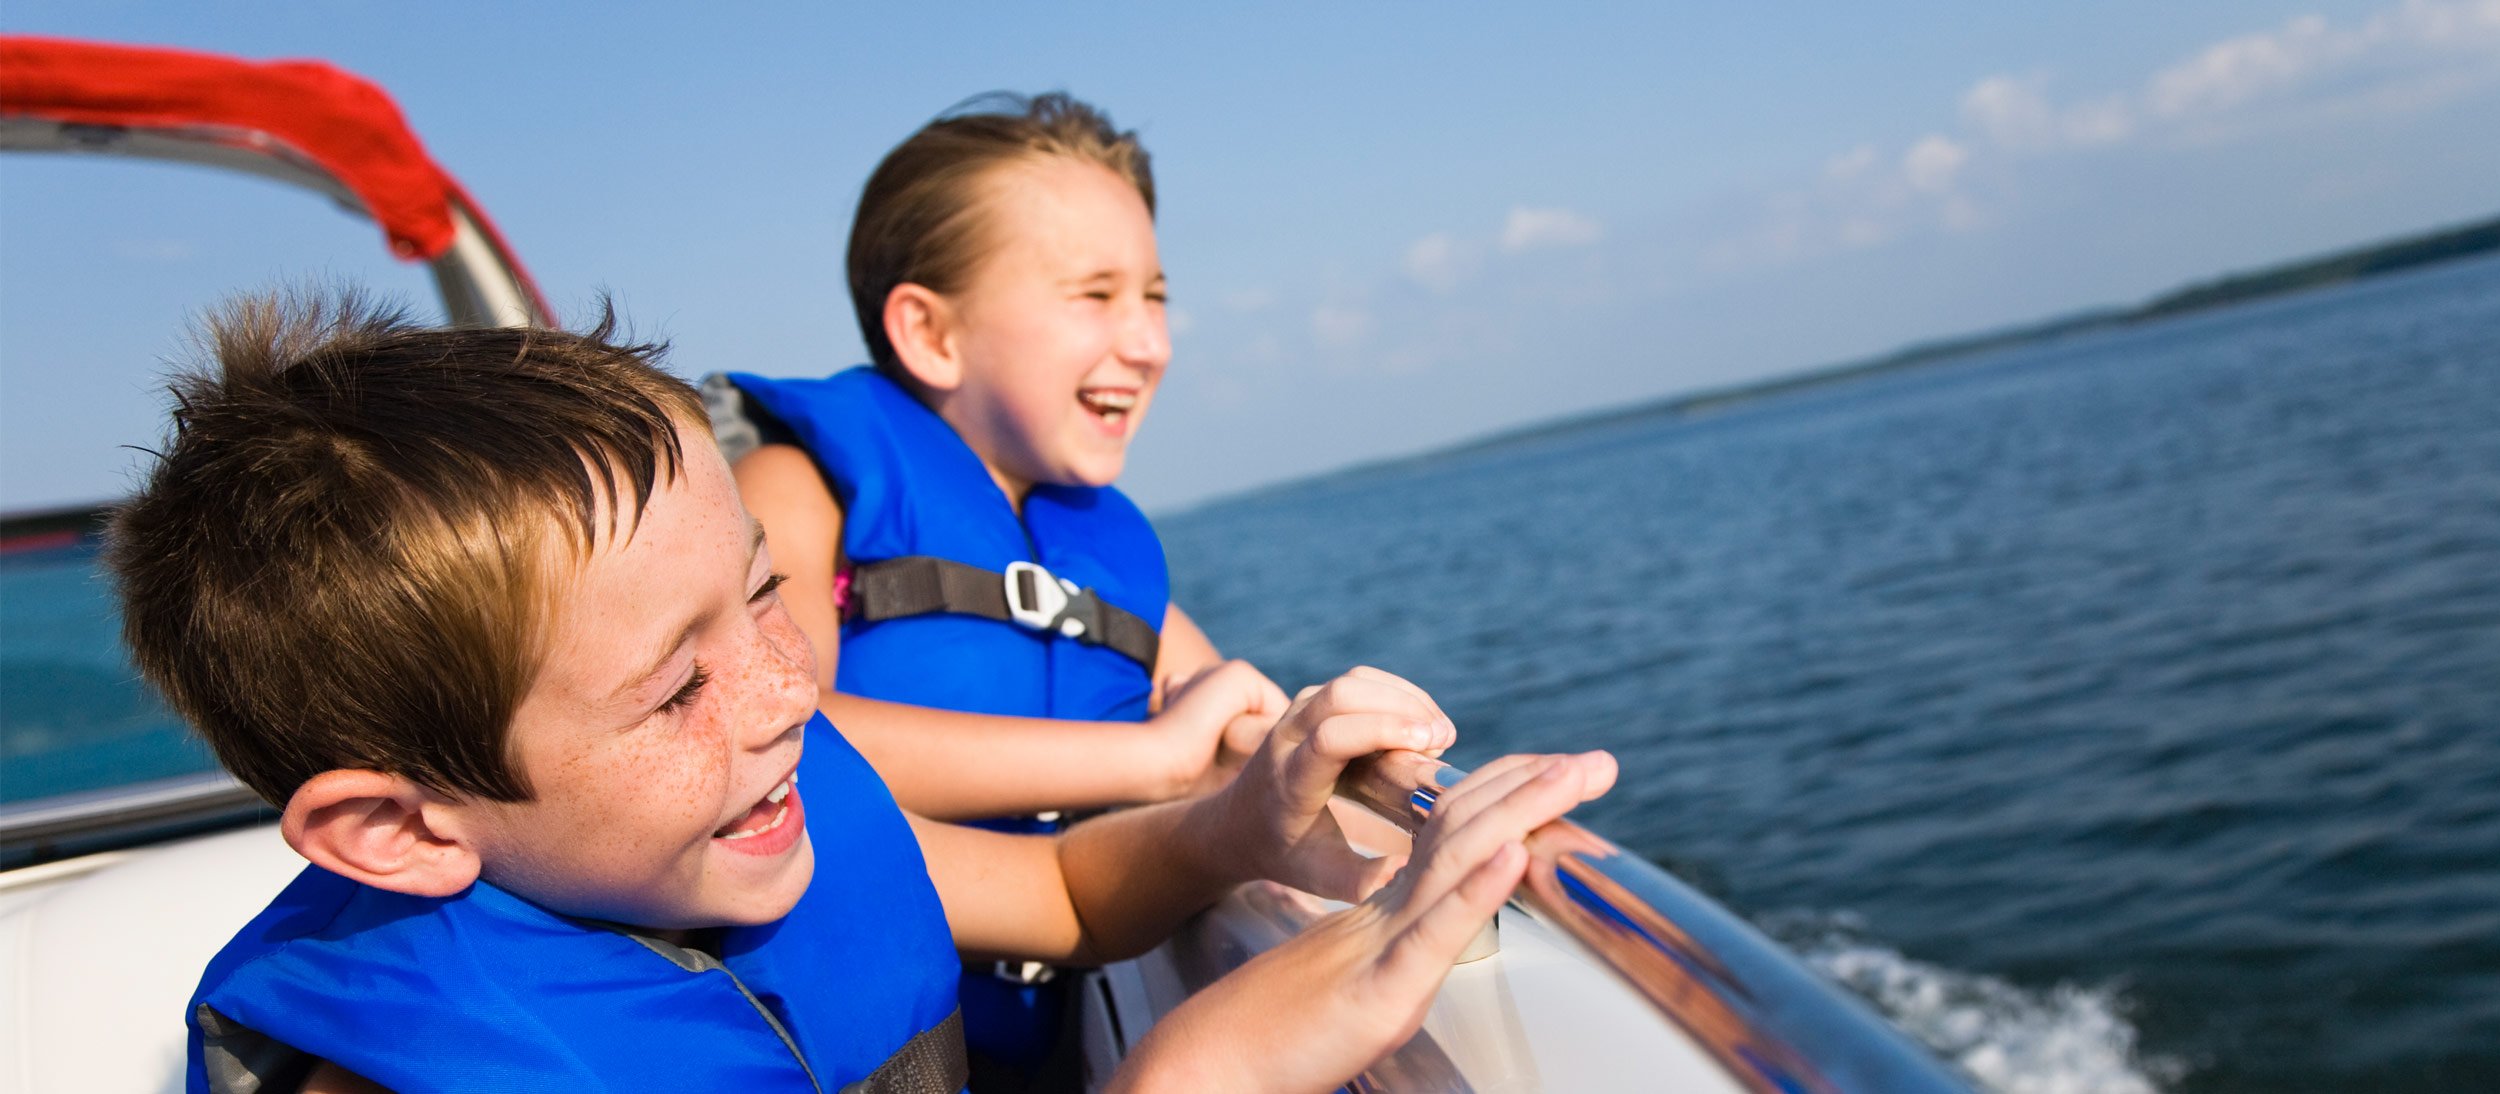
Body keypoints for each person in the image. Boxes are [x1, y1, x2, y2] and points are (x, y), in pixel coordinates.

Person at [114, 292, 1618, 1094]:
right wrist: (1199, 1065)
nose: (783, 690)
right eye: (674, 683)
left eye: (767, 589)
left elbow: (1060, 899)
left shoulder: (761, 788)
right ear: (396, 828)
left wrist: (1237, 820)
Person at [713, 92, 1292, 1079]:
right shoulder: (802, 491)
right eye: (1094, 295)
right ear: (931, 335)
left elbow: (1249, 739)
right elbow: (766, 734)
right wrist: (1144, 759)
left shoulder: (1102, 559)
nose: (1148, 339)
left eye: (1152, 295)